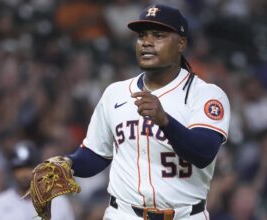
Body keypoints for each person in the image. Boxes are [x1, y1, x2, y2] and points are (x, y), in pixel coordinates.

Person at [60, 4, 230, 220]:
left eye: (158, 35)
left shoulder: (206, 94)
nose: (147, 42)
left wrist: (165, 121)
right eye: (142, 36)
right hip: (123, 214)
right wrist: (66, 164)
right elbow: (96, 154)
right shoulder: (115, 93)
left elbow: (204, 152)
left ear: (181, 43)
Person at [0, 141, 75, 220]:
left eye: (29, 167)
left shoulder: (59, 203)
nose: (24, 173)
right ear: (12, 172)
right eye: (19, 168)